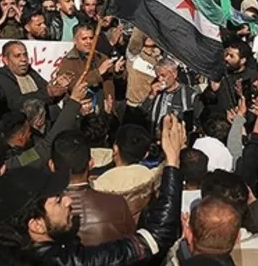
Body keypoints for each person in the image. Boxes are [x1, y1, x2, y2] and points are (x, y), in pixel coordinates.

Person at [17, 114, 186, 265]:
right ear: (35, 225)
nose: (69, 200)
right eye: (58, 200)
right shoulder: (116, 205)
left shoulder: (8, 251)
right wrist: (172, 162)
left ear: (52, 166)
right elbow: (155, 238)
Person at [52, 130, 135, 246]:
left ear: (51, 165)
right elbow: (132, 247)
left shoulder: (42, 214)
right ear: (91, 163)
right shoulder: (118, 204)